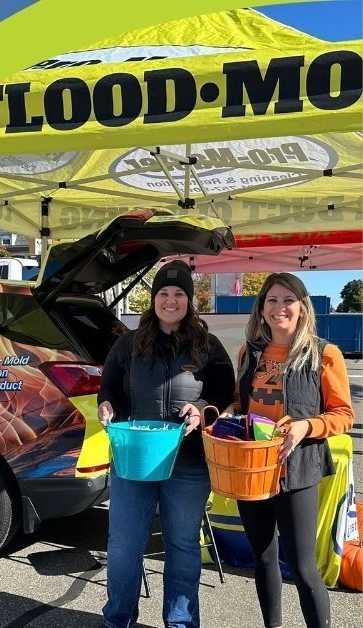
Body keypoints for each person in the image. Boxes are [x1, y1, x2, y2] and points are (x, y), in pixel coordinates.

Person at [97, 260, 236, 628]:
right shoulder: (128, 343)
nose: (170, 300)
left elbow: (225, 393)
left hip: (189, 465)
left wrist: (204, 408)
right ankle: (118, 619)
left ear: (189, 300)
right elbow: (109, 386)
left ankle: (180, 623)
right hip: (135, 460)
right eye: (163, 293)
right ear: (153, 299)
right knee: (124, 547)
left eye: (178, 294)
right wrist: (106, 404)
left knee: (183, 547)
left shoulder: (208, 346)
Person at [222, 273, 353, 628]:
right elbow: (240, 400)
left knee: (303, 566)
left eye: (288, 300)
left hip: (297, 471)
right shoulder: (249, 352)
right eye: (272, 301)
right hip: (253, 470)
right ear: (261, 309)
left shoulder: (325, 354)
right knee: (263, 558)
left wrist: (305, 426)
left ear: (302, 307)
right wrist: (230, 413)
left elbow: (343, 415)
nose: (280, 308)